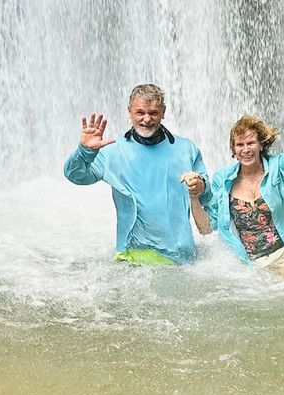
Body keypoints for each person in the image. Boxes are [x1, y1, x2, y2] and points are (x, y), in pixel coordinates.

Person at [64, 84, 208, 265]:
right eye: (140, 112)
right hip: (133, 257)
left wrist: (200, 185)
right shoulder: (111, 149)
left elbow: (207, 193)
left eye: (153, 113)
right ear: (129, 112)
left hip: (182, 256)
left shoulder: (186, 149)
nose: (147, 119)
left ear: (163, 112)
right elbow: (75, 176)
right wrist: (85, 151)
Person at [199, 76, 284, 271]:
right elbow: (210, 224)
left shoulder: (277, 168)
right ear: (233, 149)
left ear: (261, 145)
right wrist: (194, 193)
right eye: (240, 144)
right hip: (249, 264)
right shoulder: (222, 179)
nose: (245, 149)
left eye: (251, 143)